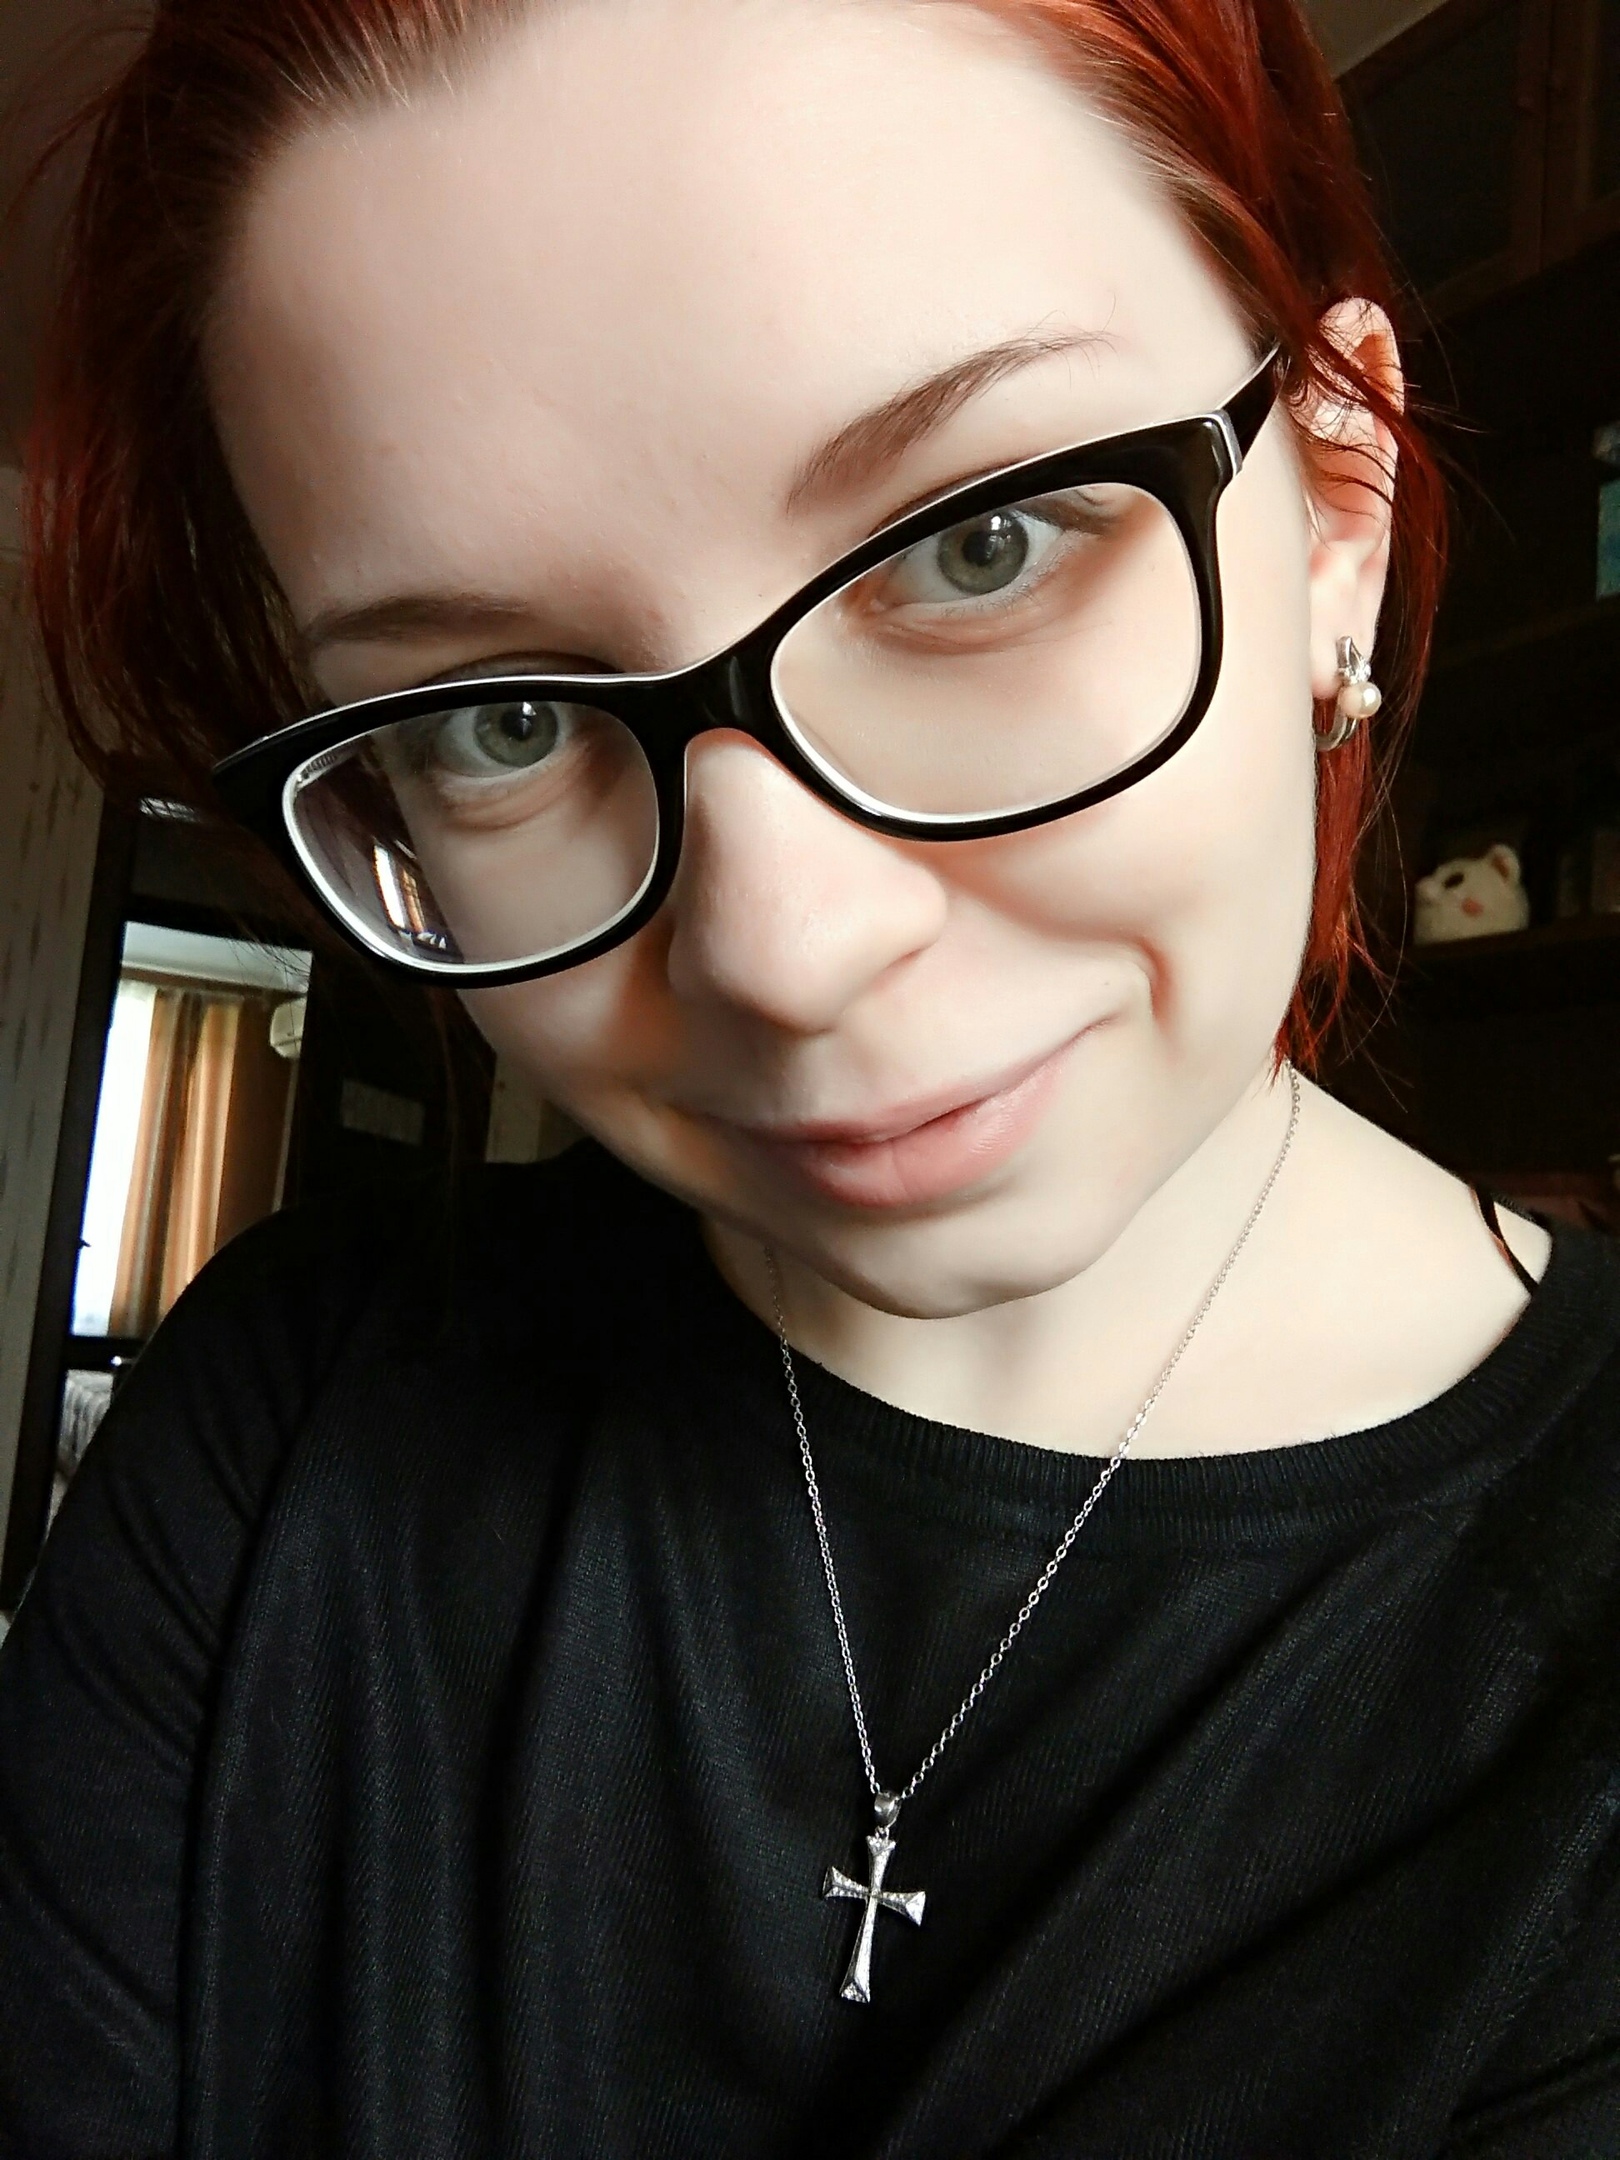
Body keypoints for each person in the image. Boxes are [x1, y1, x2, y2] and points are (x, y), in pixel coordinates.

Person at [4, 0, 1619, 2150]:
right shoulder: (284, 1432)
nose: (780, 949)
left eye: (979, 545)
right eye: (499, 720)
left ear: (1335, 507)